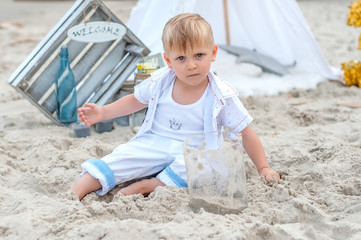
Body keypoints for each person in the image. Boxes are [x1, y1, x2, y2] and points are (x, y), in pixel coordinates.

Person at [68, 13, 280, 200]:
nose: (191, 65)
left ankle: (150, 185)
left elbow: (246, 133)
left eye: (199, 55)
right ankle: (76, 190)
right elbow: (135, 101)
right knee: (122, 157)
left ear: (213, 53)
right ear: (168, 61)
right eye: (181, 58)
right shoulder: (161, 81)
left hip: (194, 150)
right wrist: (103, 112)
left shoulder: (222, 95)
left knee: (206, 170)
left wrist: (263, 168)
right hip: (154, 141)